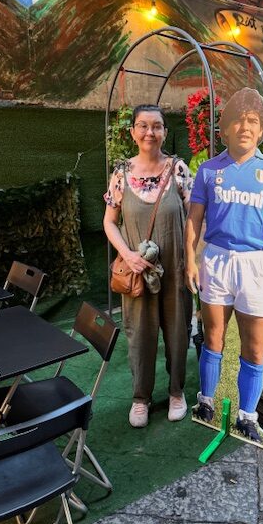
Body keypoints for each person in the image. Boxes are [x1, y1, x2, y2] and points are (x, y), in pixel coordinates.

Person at [184, 88, 263, 442]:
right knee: (213, 337)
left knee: (254, 348)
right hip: (216, 260)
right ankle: (206, 402)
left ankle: (247, 416)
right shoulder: (208, 171)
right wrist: (190, 261)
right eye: (238, 120)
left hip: (258, 266)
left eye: (252, 121)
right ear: (225, 129)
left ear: (261, 129)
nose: (245, 127)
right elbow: (194, 220)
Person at [103, 104, 193, 428]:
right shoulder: (121, 173)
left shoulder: (178, 170)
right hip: (138, 272)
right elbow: (109, 221)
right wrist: (127, 255)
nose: (149, 132)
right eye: (143, 126)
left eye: (156, 126)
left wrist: (193, 261)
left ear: (165, 132)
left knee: (178, 333)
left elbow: (195, 219)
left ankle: (176, 392)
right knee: (139, 335)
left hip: (175, 269)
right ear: (133, 132)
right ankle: (141, 398)